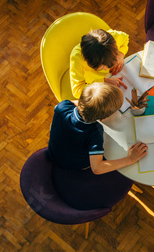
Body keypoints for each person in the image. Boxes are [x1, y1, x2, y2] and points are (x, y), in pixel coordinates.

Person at [48, 82, 148, 210]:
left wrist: (89, 106)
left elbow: (59, 106)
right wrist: (130, 159)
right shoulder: (94, 133)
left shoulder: (63, 106)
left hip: (54, 151)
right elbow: (97, 168)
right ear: (102, 118)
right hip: (73, 166)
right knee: (117, 151)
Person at [69, 29, 129, 99]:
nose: (107, 69)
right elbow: (77, 91)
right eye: (103, 68)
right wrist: (104, 82)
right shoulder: (77, 58)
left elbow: (125, 38)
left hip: (116, 74)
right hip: (95, 83)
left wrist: (120, 55)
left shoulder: (113, 38)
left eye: (111, 63)